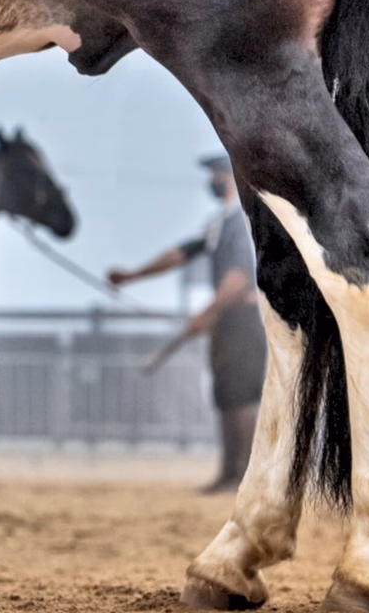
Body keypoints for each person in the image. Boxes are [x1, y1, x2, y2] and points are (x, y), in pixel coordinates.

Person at [107, 154, 267, 492]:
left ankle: (244, 476)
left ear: (231, 176)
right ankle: (229, 473)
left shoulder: (241, 221)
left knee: (241, 396)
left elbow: (239, 277)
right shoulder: (220, 223)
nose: (212, 181)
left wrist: (207, 312)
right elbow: (179, 253)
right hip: (226, 319)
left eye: (216, 175)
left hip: (242, 317)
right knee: (226, 395)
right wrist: (133, 275)